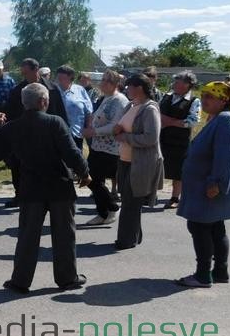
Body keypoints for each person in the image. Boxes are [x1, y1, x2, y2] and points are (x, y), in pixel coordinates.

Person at [0, 83, 90, 293]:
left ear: (25, 104)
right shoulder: (55, 122)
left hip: (31, 186)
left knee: (27, 236)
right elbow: (71, 152)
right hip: (59, 185)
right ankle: (67, 278)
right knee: (64, 234)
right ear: (43, 102)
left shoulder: (13, 126)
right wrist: (84, 172)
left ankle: (20, 281)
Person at [175, 82, 230, 287]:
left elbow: (225, 157)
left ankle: (203, 275)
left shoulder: (226, 121)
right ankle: (220, 272)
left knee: (199, 226)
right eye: (203, 95)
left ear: (223, 100)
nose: (204, 100)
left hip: (211, 187)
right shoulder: (220, 119)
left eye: (210, 97)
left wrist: (216, 183)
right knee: (215, 228)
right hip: (207, 185)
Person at [0, 58, 68, 207]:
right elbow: (9, 109)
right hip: (24, 136)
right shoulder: (18, 90)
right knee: (17, 165)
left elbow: (60, 114)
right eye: (22, 73)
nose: (24, 76)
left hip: (47, 136)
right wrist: (1, 114)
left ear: (36, 70)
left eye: (26, 73)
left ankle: (48, 196)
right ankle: (19, 195)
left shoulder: (52, 89)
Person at [113, 74, 163, 250]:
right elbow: (121, 125)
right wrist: (117, 129)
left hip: (140, 163)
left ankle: (126, 240)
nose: (126, 89)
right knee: (128, 201)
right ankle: (134, 236)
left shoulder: (150, 109)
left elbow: (151, 138)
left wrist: (125, 137)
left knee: (130, 204)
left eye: (129, 86)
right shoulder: (131, 105)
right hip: (125, 160)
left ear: (139, 88)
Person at [81, 70, 130, 225]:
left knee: (93, 180)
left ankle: (111, 208)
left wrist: (94, 131)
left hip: (110, 149)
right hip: (98, 146)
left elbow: (115, 125)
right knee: (91, 179)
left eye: (105, 81)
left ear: (114, 84)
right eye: (102, 80)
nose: (101, 83)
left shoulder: (119, 100)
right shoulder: (106, 98)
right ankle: (104, 212)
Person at [159, 71, 201, 209]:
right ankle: (150, 194)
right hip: (161, 138)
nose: (174, 84)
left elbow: (192, 121)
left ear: (187, 84)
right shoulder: (166, 97)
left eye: (178, 81)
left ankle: (175, 197)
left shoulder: (194, 101)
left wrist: (169, 121)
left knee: (178, 171)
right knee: (157, 166)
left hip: (179, 141)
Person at [56, 65, 93, 151]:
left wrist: (88, 128)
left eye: (62, 78)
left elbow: (89, 111)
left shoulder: (80, 90)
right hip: (58, 134)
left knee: (76, 160)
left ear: (70, 77)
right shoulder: (54, 90)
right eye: (58, 77)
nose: (59, 80)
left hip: (77, 134)